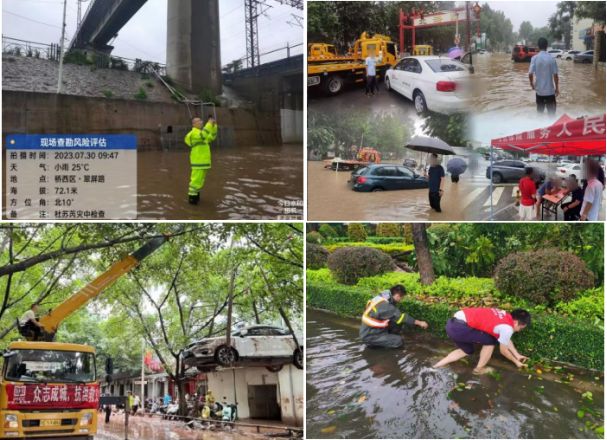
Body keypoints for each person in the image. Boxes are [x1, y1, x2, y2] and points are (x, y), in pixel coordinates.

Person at [432, 308, 531, 374]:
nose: (519, 330)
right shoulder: (507, 328)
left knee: (467, 350)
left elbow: (506, 339)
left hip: (451, 325)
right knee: (491, 341)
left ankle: (436, 366)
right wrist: (516, 363)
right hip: (460, 328)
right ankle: (478, 369)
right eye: (521, 328)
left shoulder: (503, 314)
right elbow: (503, 351)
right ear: (516, 322)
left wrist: (517, 355)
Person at [359, 284, 428, 349]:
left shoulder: (383, 297)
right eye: (402, 298)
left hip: (374, 329)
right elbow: (402, 317)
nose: (401, 300)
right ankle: (375, 345)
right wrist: (420, 323)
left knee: (398, 322)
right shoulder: (385, 305)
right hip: (370, 335)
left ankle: (386, 338)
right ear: (397, 296)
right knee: (398, 341)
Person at [184, 115, 218, 205]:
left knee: (199, 182)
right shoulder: (194, 133)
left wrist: (214, 126)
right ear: (193, 123)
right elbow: (203, 136)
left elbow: (212, 136)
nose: (201, 122)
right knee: (195, 182)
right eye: (199, 121)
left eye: (201, 121)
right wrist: (209, 124)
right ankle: (192, 202)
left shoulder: (200, 132)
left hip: (203, 162)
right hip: (198, 162)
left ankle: (196, 200)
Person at [528, 37, 559, 116]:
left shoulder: (534, 58)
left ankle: (540, 127)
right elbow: (555, 75)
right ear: (547, 46)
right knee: (552, 115)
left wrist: (531, 84)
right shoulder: (552, 59)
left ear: (538, 46)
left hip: (539, 92)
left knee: (540, 114)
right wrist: (557, 88)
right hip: (550, 92)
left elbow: (530, 73)